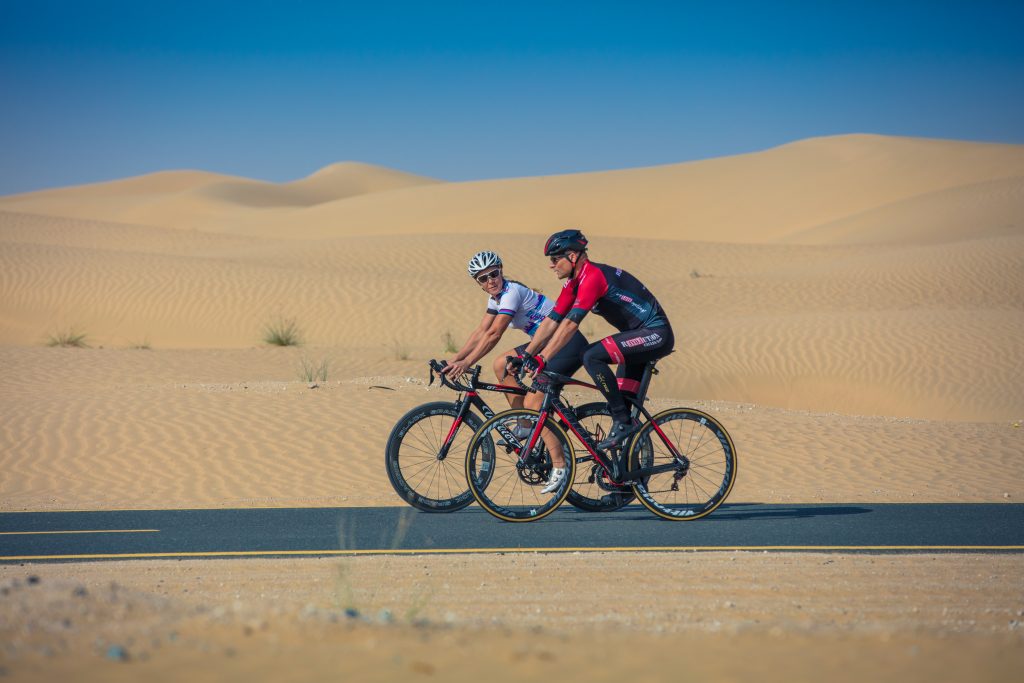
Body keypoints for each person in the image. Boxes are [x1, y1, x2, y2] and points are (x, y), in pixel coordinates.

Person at [518, 229, 674, 491]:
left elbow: (569, 325)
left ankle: (623, 421)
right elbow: (552, 321)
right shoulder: (573, 283)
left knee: (590, 356)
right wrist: (528, 354)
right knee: (624, 404)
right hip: (636, 336)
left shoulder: (592, 278)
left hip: (655, 334)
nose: (551, 264)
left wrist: (544, 357)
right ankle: (624, 482)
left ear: (573, 255)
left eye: (556, 258)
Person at [442, 251, 589, 481]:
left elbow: (493, 334)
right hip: (543, 344)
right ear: (478, 283)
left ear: (501, 270)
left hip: (566, 345)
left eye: (493, 274)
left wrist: (468, 363)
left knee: (533, 405)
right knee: (501, 364)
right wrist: (456, 359)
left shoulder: (512, 293)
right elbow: (480, 331)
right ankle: (525, 424)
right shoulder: (495, 298)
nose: (490, 280)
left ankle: (560, 466)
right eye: (483, 278)